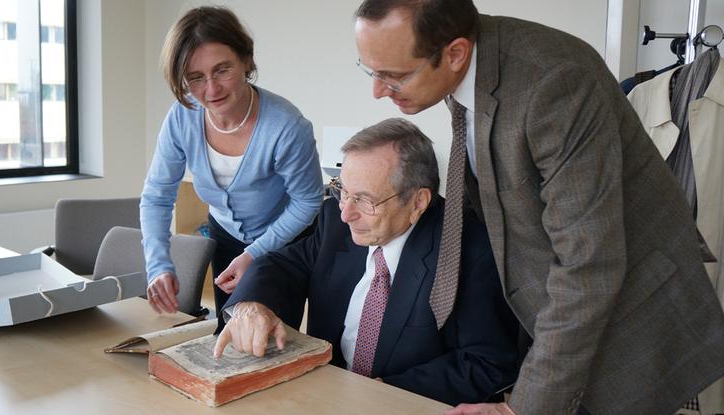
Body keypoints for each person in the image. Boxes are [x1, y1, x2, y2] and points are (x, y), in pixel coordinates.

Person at [353, 1, 724, 414]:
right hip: (556, 315)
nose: (378, 90)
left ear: (455, 53)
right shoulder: (460, 69)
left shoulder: (555, 82)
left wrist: (523, 408)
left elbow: (590, 267)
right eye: (371, 71)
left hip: (628, 321)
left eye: (394, 76)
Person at [212, 118, 520, 406]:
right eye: (342, 190)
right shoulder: (337, 221)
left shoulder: (468, 250)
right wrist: (251, 305)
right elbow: (282, 265)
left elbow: (487, 363)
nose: (347, 213)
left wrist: (378, 393)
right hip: (325, 396)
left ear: (418, 203)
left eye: (365, 200)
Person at [140, 7, 323, 331]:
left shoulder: (286, 126)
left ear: (246, 61)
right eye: (196, 78)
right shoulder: (182, 118)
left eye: (222, 70)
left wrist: (255, 253)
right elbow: (157, 196)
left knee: (266, 341)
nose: (211, 90)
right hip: (225, 237)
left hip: (284, 243)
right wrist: (158, 265)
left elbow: (307, 202)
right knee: (227, 333)